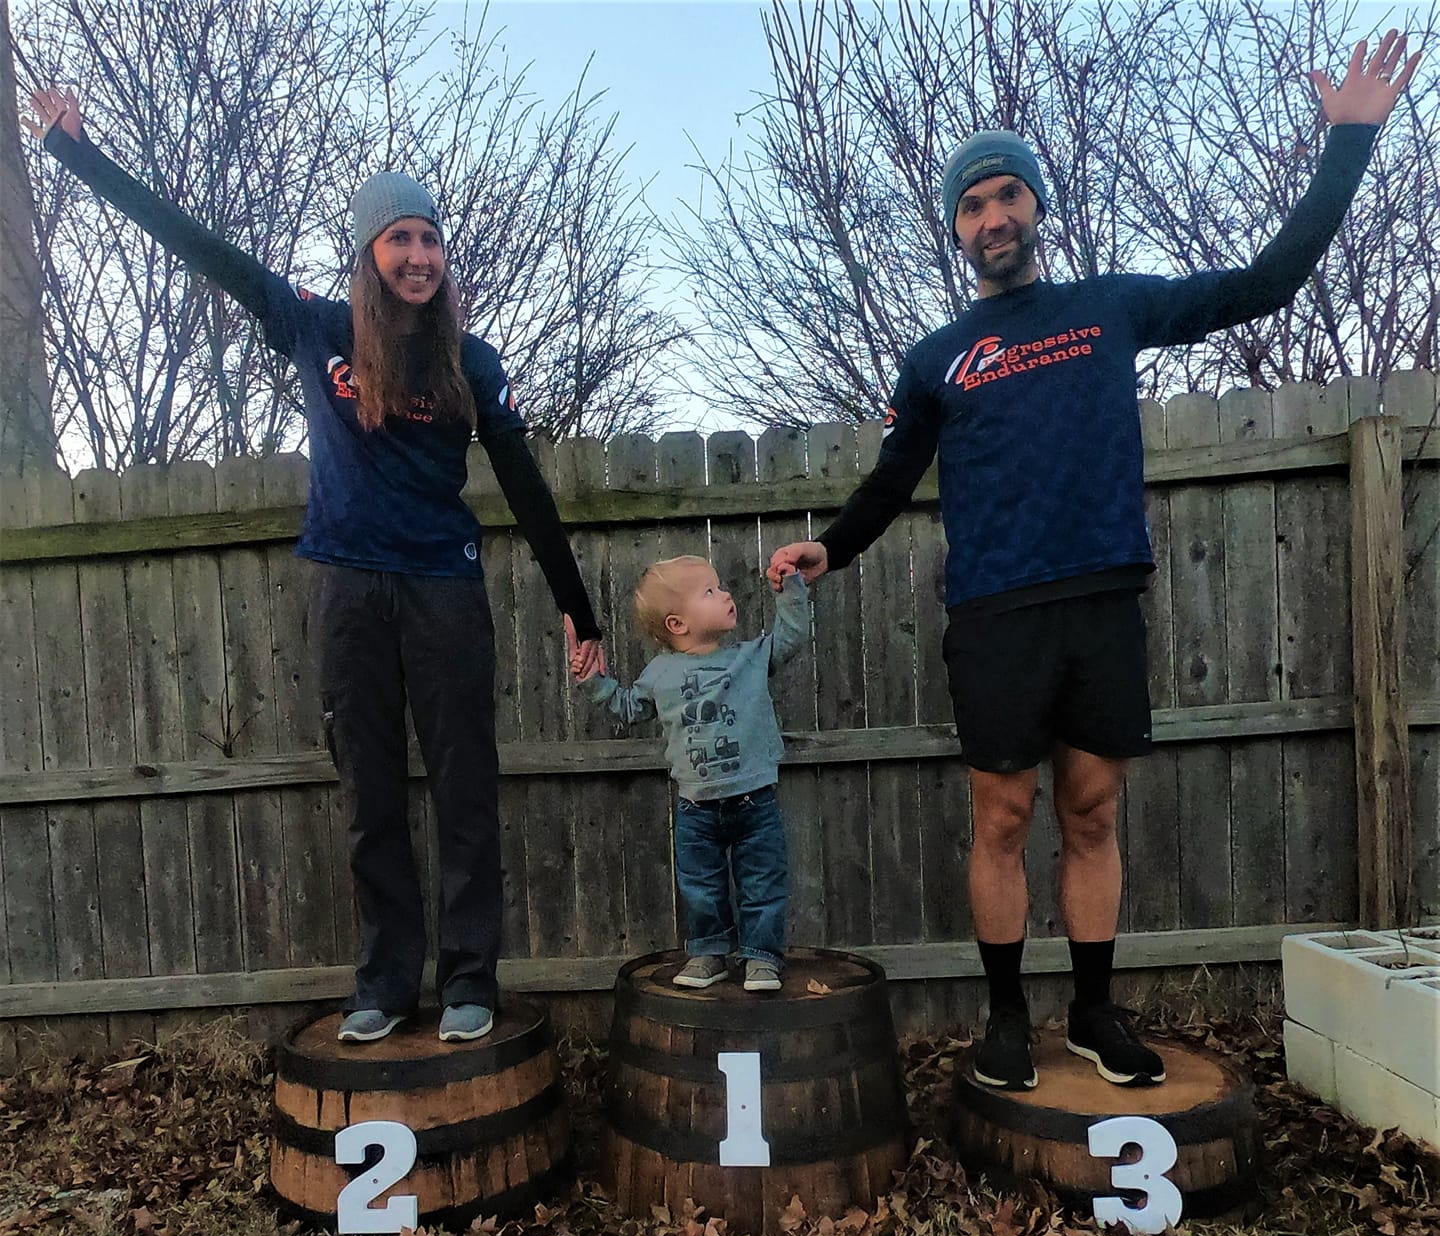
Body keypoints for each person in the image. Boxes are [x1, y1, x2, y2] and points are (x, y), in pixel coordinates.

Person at [766, 32, 1422, 1089]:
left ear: (1038, 208)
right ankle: (1006, 1017)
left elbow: (1266, 282)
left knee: (1093, 812)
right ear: (955, 230)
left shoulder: (1109, 306)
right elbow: (894, 478)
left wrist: (1347, 141)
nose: (993, 219)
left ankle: (1094, 1011)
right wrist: (830, 548)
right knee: (1001, 816)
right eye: (972, 206)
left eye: (1007, 197)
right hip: (994, 612)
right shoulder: (935, 358)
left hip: (1104, 595)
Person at [25, 86, 605, 1045]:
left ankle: (470, 978)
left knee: (464, 783)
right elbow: (198, 245)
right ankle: (384, 977)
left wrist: (577, 608)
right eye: (398, 240)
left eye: (430, 239)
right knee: (368, 788)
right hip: (347, 583)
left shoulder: (477, 361)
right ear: (370, 255)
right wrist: (79, 157)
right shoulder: (317, 327)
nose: (418, 255)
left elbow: (525, 482)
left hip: (444, 586)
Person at [565, 558, 808, 989]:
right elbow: (628, 706)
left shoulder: (751, 657)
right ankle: (709, 953)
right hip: (695, 809)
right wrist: (593, 681)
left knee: (763, 884)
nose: (726, 594)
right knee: (701, 888)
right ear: (677, 623)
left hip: (756, 801)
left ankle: (762, 958)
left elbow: (793, 634)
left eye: (721, 586)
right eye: (710, 592)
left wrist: (790, 586)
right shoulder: (660, 673)